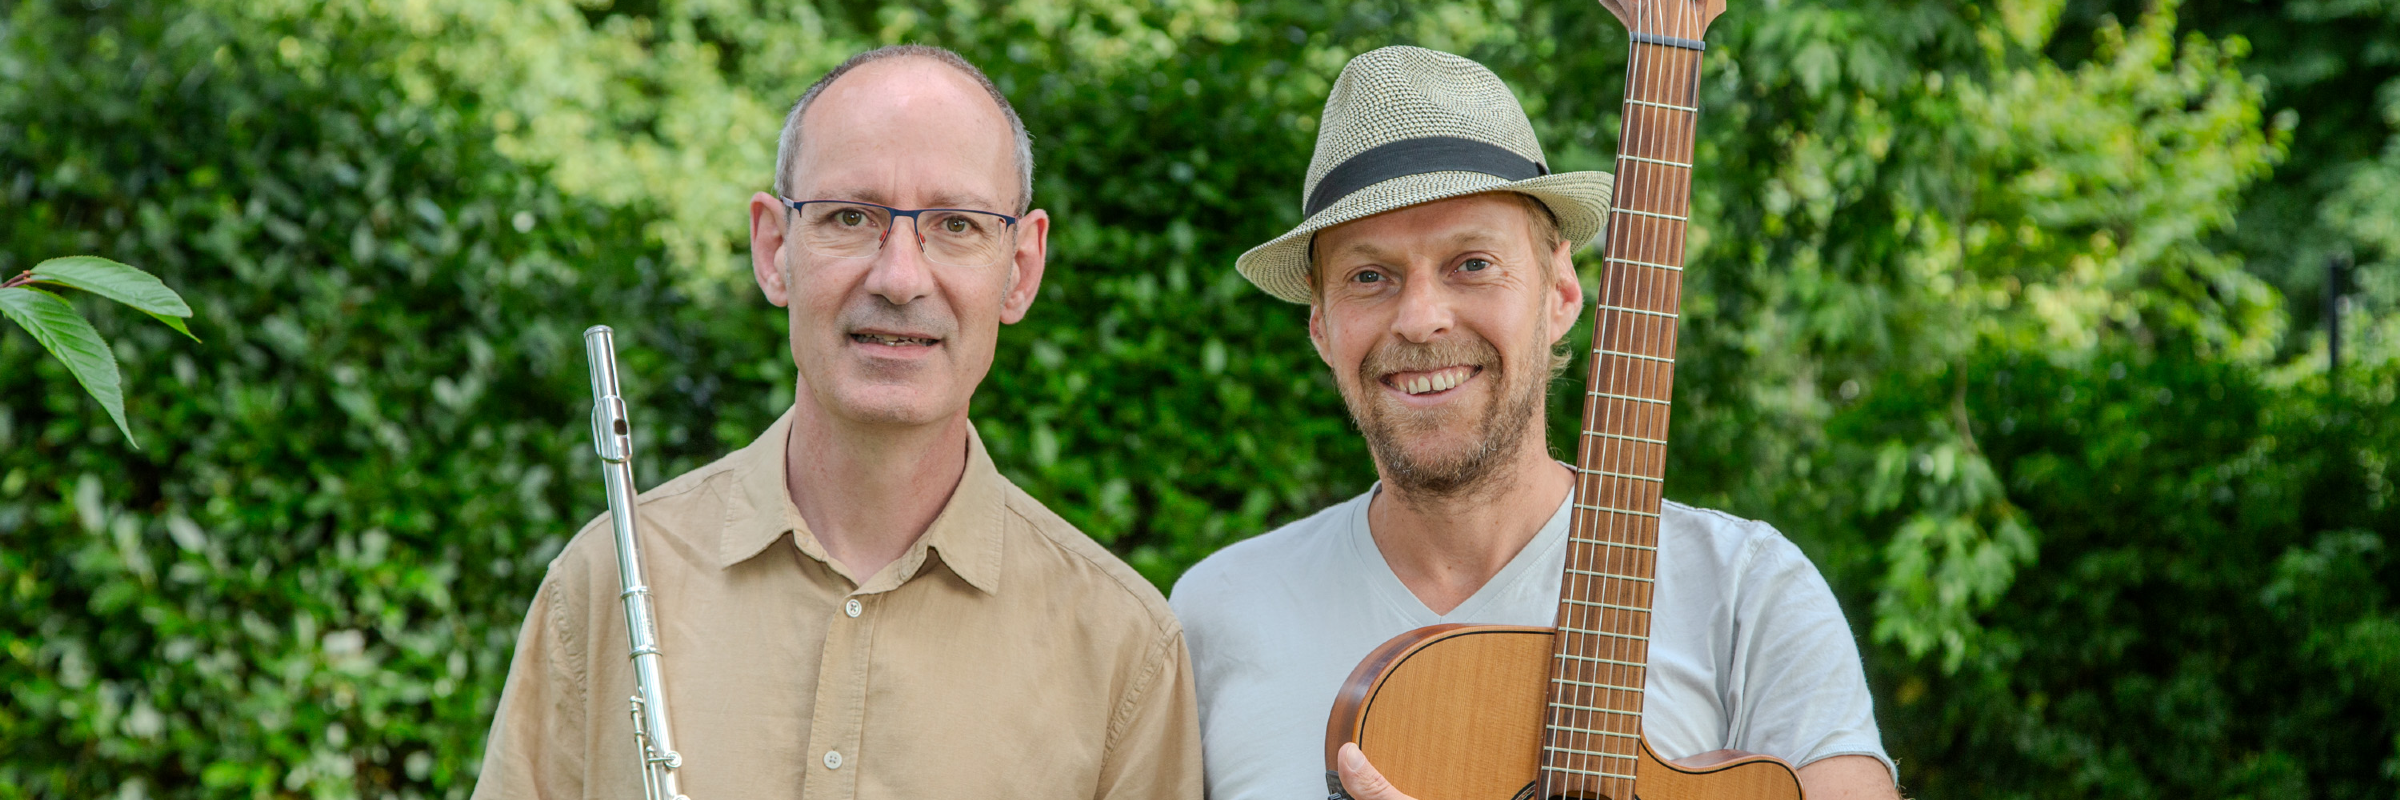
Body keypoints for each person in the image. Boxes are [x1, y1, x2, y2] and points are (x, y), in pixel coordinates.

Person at [1169, 46, 1901, 800]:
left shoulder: (1746, 591)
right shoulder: (1213, 614)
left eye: (1472, 264)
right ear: (1321, 327)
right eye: (1369, 276)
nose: (1421, 319)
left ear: (1559, 292)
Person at [472, 45, 1201, 799]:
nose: (899, 277)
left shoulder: (1122, 649)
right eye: (850, 216)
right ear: (774, 249)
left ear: (1019, 269)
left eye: (956, 224)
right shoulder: (602, 585)